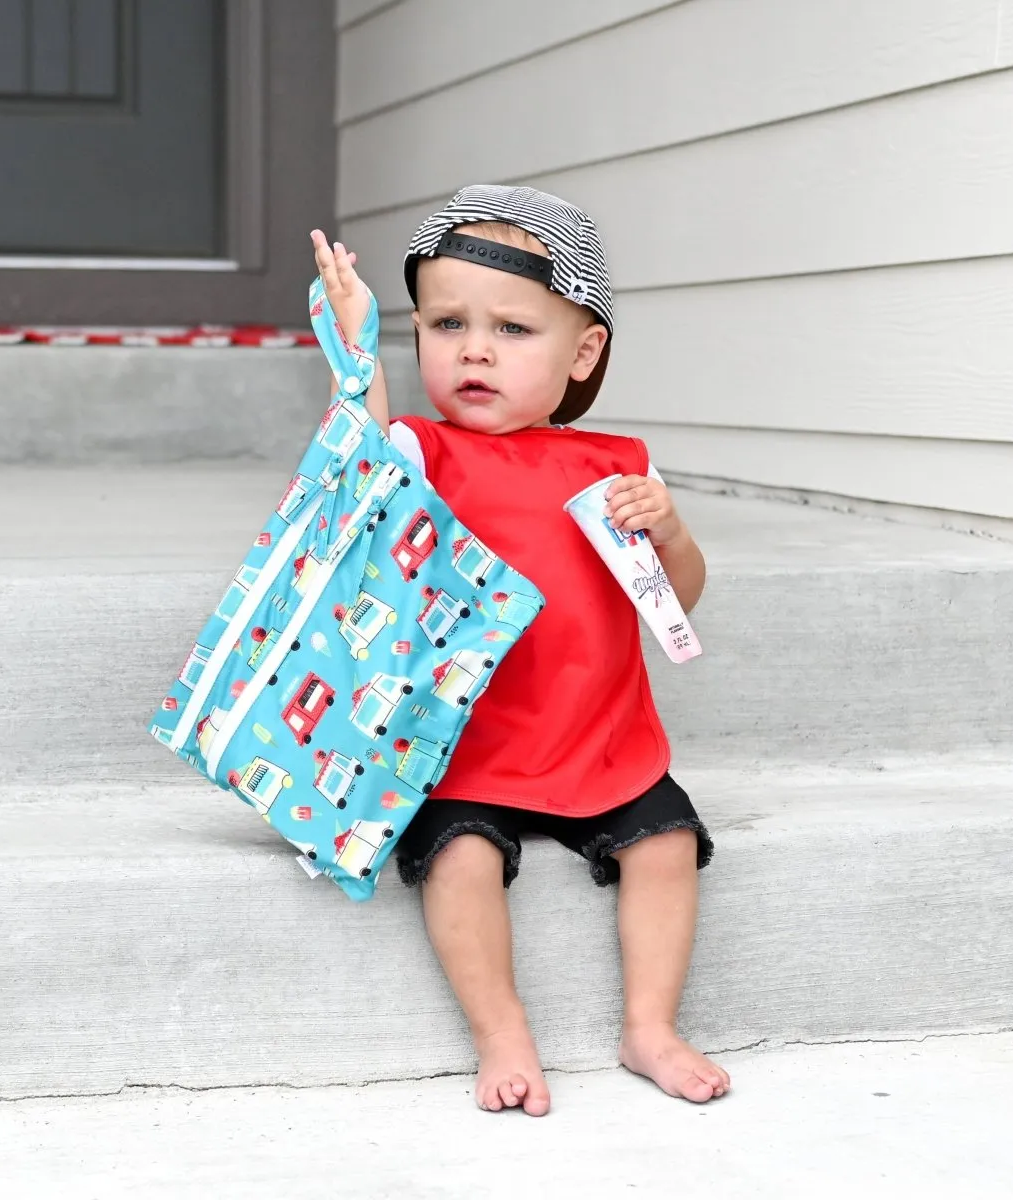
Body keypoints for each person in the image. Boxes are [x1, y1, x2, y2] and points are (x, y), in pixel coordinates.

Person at [309, 184, 729, 1116]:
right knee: (458, 859)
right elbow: (356, 468)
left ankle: (649, 1025)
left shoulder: (615, 469)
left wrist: (670, 535)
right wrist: (353, 346)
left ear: (583, 353)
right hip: (464, 742)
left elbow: (678, 603)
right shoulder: (421, 453)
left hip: (599, 735)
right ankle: (500, 1029)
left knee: (663, 843)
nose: (475, 350)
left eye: (513, 330)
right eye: (446, 322)